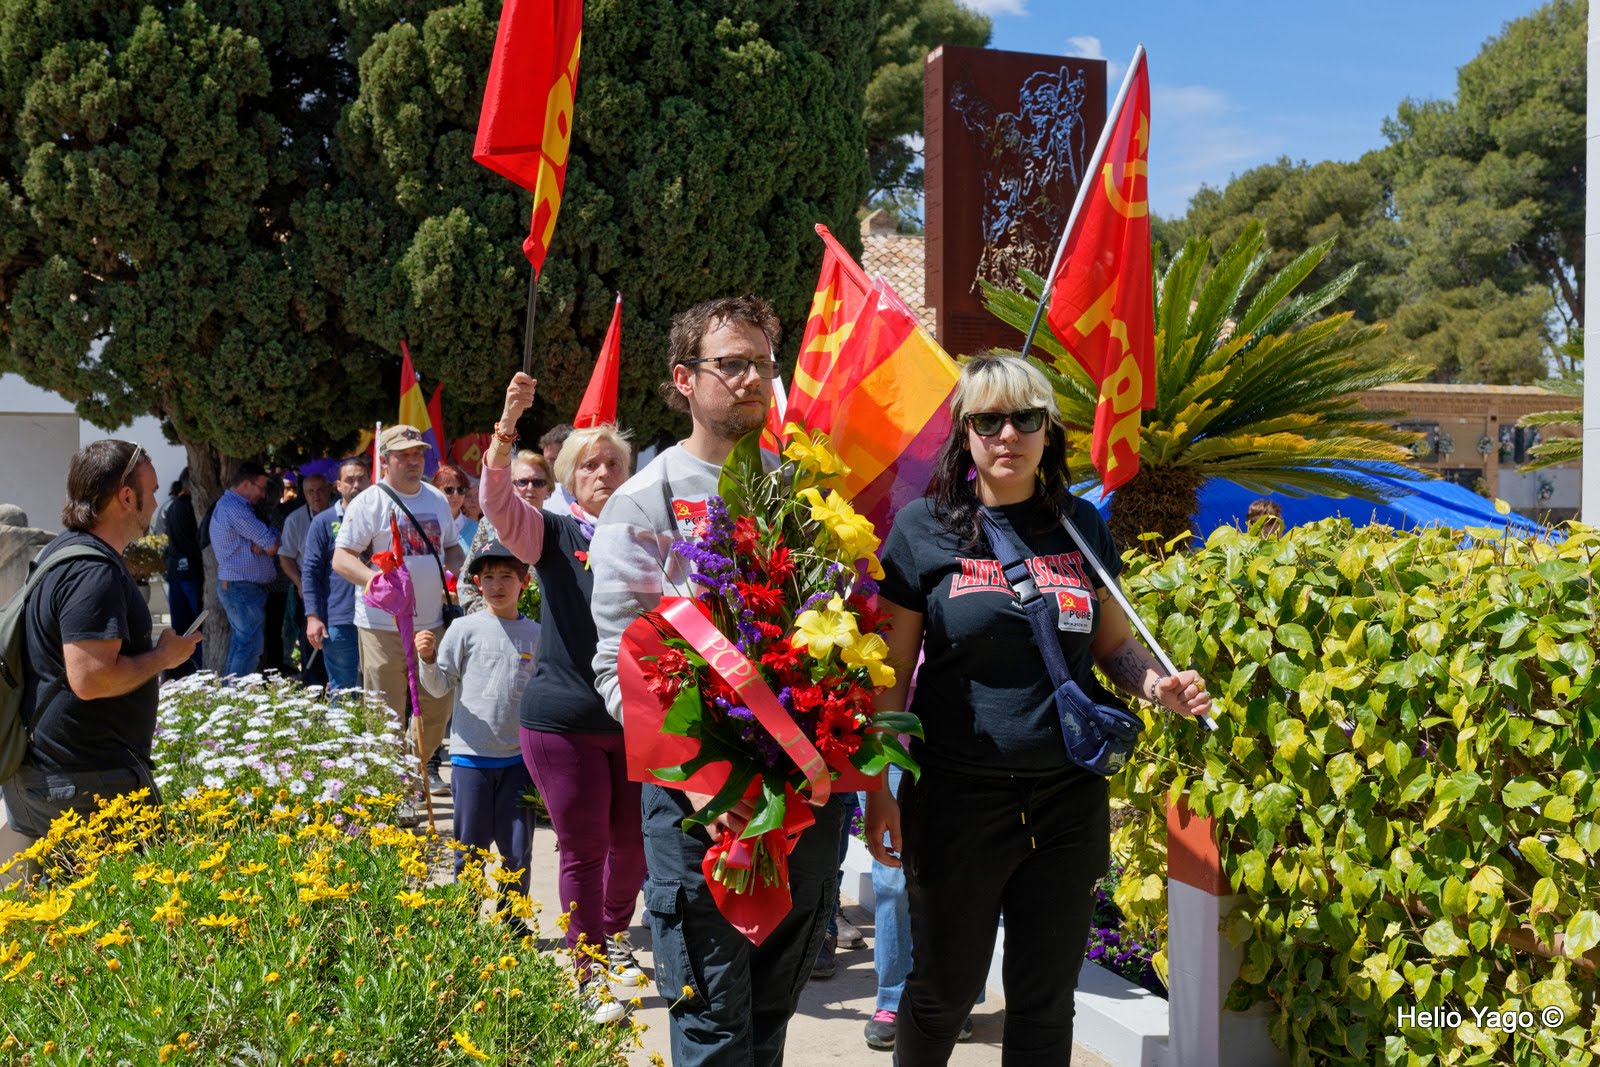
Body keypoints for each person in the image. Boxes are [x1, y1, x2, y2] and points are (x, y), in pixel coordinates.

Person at [864, 353, 1211, 1065]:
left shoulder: (1079, 526)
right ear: (964, 432)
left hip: (1066, 801)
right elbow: (890, 676)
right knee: (943, 992)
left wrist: (1159, 687)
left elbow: (1114, 646)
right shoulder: (923, 529)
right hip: (956, 800)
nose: (1008, 435)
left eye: (1025, 418)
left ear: (1048, 431)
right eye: (988, 420)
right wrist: (879, 787)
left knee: (1046, 1000)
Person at [590, 294, 846, 1065]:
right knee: (711, 1027)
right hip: (695, 805)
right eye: (731, 364)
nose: (751, 379)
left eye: (762, 363)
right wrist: (706, 783)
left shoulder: (800, 494)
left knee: (768, 1021)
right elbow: (620, 666)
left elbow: (828, 637)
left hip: (798, 799)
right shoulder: (643, 501)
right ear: (684, 378)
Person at [482, 373, 642, 1022]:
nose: (602, 473)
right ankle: (589, 973)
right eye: (589, 465)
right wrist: (506, 426)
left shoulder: (649, 535)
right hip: (563, 721)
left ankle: (612, 932)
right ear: (570, 478)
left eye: (613, 463)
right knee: (585, 849)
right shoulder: (552, 533)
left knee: (634, 848)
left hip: (635, 721)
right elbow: (497, 501)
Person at [0, 441, 202, 884]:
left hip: (60, 775)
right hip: (84, 783)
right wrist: (164, 657)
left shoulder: (62, 553)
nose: (156, 503)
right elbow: (91, 679)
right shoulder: (95, 572)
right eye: (151, 491)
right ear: (126, 496)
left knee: (68, 914)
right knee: (133, 905)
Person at [332, 425, 463, 799]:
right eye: (403, 455)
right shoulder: (369, 502)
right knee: (385, 714)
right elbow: (341, 558)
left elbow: (452, 549)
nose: (412, 461)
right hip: (381, 626)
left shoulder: (436, 498)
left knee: (438, 707)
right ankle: (394, 792)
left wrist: (463, 573)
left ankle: (408, 767)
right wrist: (375, 581)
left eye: (417, 453)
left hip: (432, 623)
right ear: (385, 460)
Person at [415, 541, 539, 898]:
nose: (497, 585)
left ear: (524, 581)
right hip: (470, 758)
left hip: (518, 760)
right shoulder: (463, 629)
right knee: (469, 850)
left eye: (506, 577)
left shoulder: (537, 634)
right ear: (476, 583)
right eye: (489, 577)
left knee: (518, 851)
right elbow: (439, 686)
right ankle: (464, 918)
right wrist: (427, 659)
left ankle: (513, 919)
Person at [301, 458, 371, 692]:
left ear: (371, 481)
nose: (356, 485)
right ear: (338, 486)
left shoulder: (380, 517)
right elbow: (310, 572)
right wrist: (313, 617)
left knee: (379, 691)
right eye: (349, 480)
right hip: (340, 619)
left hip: (379, 619)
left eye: (361, 479)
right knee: (344, 691)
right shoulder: (323, 522)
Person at [209, 462, 281, 679]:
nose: (263, 494)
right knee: (249, 647)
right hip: (242, 588)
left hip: (240, 588)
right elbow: (272, 545)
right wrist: (269, 540)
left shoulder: (234, 507)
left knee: (243, 645)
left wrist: (269, 538)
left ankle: (231, 691)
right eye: (261, 487)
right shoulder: (236, 509)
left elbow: (269, 539)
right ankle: (236, 693)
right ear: (247, 484)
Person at [461, 451, 551, 616]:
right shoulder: (489, 525)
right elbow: (466, 583)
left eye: (538, 482)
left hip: (542, 626)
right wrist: (486, 618)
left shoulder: (557, 529)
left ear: (548, 488)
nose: (530, 488)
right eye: (522, 482)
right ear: (510, 486)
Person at [279, 472, 332, 684]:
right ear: (304, 494)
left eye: (320, 490)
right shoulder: (295, 519)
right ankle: (314, 685)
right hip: (308, 584)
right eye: (310, 492)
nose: (316, 496)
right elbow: (285, 556)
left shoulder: (342, 513)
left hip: (337, 584)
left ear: (330, 490)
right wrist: (299, 583)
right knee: (310, 635)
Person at [158, 472, 204, 678]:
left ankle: (178, 671)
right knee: (197, 626)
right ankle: (198, 667)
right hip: (191, 573)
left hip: (175, 572)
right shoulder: (190, 507)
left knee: (180, 626)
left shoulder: (171, 506)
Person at [433, 464, 478, 555]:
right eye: (449, 490)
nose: (456, 495)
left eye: (461, 490)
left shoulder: (478, 529)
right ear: (436, 492)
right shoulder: (427, 527)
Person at [539, 424, 575, 513]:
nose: (547, 466)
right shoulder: (541, 495)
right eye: (545, 460)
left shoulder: (598, 494)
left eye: (553, 459)